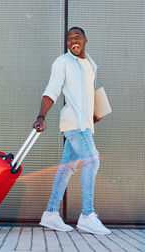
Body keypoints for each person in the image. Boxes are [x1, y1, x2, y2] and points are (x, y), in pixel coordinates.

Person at [33, 27, 111, 235]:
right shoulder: (62, 62)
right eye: (69, 38)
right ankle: (87, 216)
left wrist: (94, 114)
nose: (72, 41)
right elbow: (52, 89)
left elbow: (85, 94)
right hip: (74, 123)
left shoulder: (91, 64)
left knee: (66, 168)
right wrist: (41, 116)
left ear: (85, 40)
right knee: (92, 161)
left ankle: (50, 214)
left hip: (85, 124)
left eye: (77, 38)